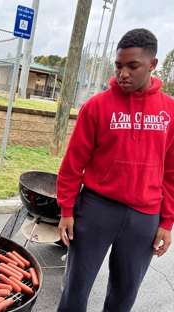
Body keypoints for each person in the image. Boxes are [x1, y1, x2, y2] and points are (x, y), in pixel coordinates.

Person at [57, 28, 173, 312]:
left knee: (125, 293)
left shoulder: (170, 111)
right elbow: (73, 163)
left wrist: (167, 222)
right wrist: (67, 210)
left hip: (145, 216)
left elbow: (171, 172)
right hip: (96, 209)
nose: (123, 74)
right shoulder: (96, 107)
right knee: (76, 286)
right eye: (119, 66)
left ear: (152, 65)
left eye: (133, 66)